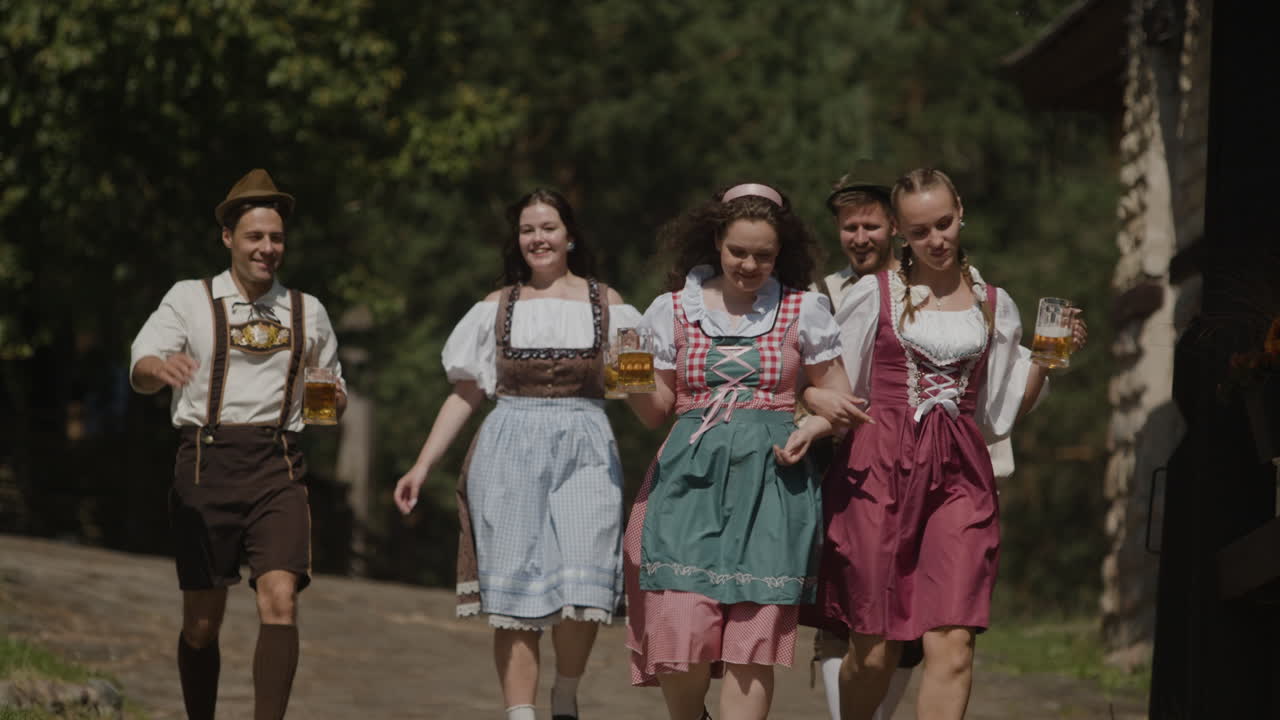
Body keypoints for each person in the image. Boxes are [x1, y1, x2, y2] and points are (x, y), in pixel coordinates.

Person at [808, 168, 1087, 720]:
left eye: (944, 223)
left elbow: (998, 413)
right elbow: (834, 382)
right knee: (875, 650)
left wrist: (1051, 358)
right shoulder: (873, 295)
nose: (936, 240)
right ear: (899, 234)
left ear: (961, 213)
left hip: (959, 473)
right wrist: (816, 405)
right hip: (878, 467)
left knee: (953, 644)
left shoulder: (994, 305)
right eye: (919, 231)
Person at [623, 183, 866, 720]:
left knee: (750, 647)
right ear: (716, 242)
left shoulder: (804, 309)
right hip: (688, 483)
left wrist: (811, 426)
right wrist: (627, 379)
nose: (750, 264)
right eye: (739, 251)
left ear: (781, 254)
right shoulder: (671, 310)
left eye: (764, 255)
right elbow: (657, 411)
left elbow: (840, 399)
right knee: (680, 638)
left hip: (773, 485)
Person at [393, 189, 639, 720]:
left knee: (586, 580)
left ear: (569, 235)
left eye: (548, 227)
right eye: (528, 230)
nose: (538, 239)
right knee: (515, 596)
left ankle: (565, 691)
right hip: (509, 445)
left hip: (585, 444)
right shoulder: (495, 306)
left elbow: (638, 388)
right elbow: (465, 393)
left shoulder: (610, 305)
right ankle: (521, 713)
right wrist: (422, 464)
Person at [129, 168, 347, 720]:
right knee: (202, 623)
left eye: (275, 238)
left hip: (278, 464)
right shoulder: (189, 298)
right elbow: (141, 366)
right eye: (255, 237)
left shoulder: (308, 311)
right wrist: (162, 367)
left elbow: (329, 389)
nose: (267, 249)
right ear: (228, 237)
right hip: (206, 460)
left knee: (280, 601)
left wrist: (334, 400)